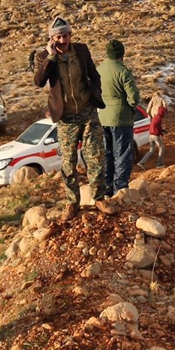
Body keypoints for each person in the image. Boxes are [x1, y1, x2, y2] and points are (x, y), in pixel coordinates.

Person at [34, 16, 116, 221]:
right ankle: (72, 202)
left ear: (71, 35)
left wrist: (96, 92)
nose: (63, 40)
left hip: (88, 112)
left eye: (66, 35)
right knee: (68, 161)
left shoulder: (81, 50)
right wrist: (51, 57)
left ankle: (99, 197)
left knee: (96, 156)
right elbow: (39, 81)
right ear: (52, 39)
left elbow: (94, 74)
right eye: (59, 37)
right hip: (66, 117)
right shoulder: (44, 56)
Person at [97, 39, 140, 197]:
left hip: (102, 116)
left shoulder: (99, 69)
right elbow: (133, 97)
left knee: (107, 154)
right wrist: (131, 106)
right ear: (122, 54)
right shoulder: (123, 71)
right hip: (121, 118)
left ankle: (107, 188)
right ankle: (120, 190)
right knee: (121, 154)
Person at [139, 93, 168, 168]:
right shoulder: (159, 117)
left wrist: (149, 115)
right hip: (155, 134)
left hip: (150, 134)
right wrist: (161, 133)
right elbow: (157, 129)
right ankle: (159, 164)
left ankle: (141, 162)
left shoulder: (154, 118)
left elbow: (148, 109)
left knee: (151, 150)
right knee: (162, 148)